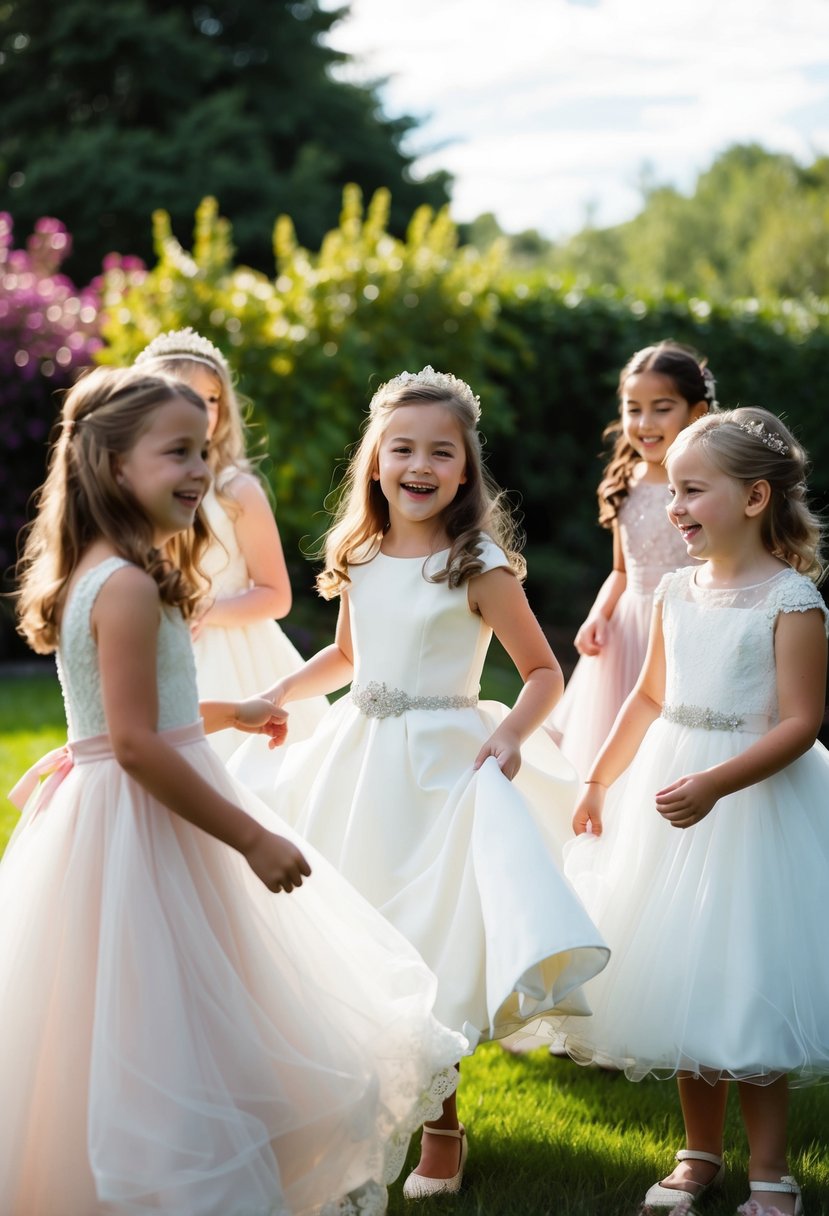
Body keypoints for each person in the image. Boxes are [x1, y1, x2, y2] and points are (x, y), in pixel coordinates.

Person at [2, 366, 467, 1216]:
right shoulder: (130, 586)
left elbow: (126, 717)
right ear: (111, 467)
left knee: (120, 1019)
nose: (197, 472)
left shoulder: (98, 571)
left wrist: (231, 708)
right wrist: (250, 837)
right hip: (148, 824)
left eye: (203, 451)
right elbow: (137, 744)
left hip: (111, 811)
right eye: (176, 452)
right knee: (177, 1011)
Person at [250, 366, 610, 1198]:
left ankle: (442, 1126)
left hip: (444, 763)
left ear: (463, 468)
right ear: (374, 461)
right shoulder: (362, 553)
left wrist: (512, 737)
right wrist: (279, 694)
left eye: (439, 452)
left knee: (426, 936)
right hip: (360, 759)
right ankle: (352, 1110)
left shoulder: (476, 563)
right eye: (401, 448)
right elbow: (346, 656)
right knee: (352, 927)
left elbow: (540, 671)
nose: (419, 464)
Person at [558, 408, 829, 1215]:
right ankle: (697, 1153)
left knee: (748, 977)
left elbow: (799, 722)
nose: (672, 505)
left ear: (752, 498)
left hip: (753, 805)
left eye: (690, 490)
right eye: (671, 489)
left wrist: (717, 783)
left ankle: (772, 1170)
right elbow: (647, 696)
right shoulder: (675, 589)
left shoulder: (792, 601)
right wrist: (597, 780)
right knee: (682, 969)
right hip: (669, 791)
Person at [136, 328, 327, 762]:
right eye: (185, 395)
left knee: (236, 770)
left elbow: (276, 596)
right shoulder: (134, 488)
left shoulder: (235, 490)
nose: (202, 410)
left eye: (212, 398)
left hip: (236, 656)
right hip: (157, 642)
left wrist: (206, 609)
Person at [548, 341, 715, 779]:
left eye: (661, 408)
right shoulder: (625, 479)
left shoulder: (710, 482)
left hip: (688, 627)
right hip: (627, 633)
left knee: (668, 752)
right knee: (611, 751)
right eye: (633, 409)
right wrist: (599, 615)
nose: (644, 423)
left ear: (696, 412)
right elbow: (623, 570)